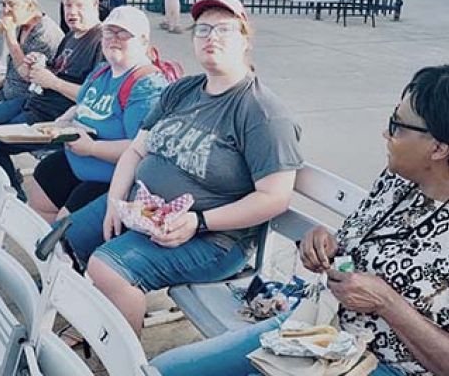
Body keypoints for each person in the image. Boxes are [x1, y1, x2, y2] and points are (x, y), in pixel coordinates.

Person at [151, 64, 449, 376]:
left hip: (383, 364)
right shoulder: (398, 179)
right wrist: (324, 242)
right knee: (163, 370)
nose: (386, 133)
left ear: (439, 148)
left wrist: (388, 303)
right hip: (318, 327)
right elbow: (357, 245)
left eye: (397, 126)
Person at [61, 0, 303, 336]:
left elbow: (275, 197)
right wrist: (116, 203)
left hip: (214, 239)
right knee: (64, 235)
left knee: (107, 268)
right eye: (203, 29)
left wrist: (199, 222)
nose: (211, 37)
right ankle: (94, 323)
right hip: (145, 211)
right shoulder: (182, 90)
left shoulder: (261, 112)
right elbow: (135, 150)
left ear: (245, 40)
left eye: (224, 29)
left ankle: (120, 360)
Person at [0, 0, 103, 201]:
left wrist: (52, 81)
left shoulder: (98, 41)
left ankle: (8, 196)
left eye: (79, 5)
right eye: (68, 5)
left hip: (53, 118)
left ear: (95, 4)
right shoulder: (72, 35)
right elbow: (51, 73)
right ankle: (1, 191)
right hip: (35, 103)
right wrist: (40, 63)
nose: (72, 12)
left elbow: (94, 98)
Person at [27, 6, 168, 223]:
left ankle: (71, 254)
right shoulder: (102, 71)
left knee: (65, 228)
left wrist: (92, 148)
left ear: (143, 41)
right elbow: (82, 104)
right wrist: (63, 120)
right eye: (109, 33)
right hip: (77, 162)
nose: (114, 39)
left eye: (123, 34)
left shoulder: (146, 85)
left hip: (111, 180)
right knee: (39, 193)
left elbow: (141, 149)